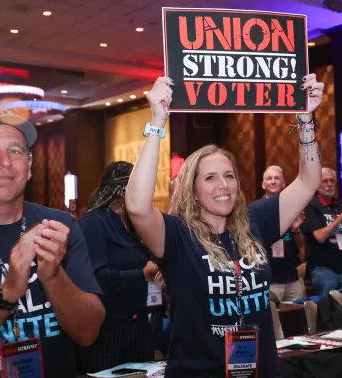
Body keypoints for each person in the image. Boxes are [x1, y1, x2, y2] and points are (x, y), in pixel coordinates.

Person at [125, 74, 324, 378]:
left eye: (229, 175)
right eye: (210, 177)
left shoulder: (254, 221)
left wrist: (305, 118)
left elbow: (309, 181)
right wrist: (157, 123)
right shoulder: (178, 235)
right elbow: (138, 206)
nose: (223, 185)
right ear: (192, 188)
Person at [0, 105, 105, 378]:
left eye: (15, 151)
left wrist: (53, 276)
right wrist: (8, 292)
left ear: (28, 168)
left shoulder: (59, 227)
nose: (5, 162)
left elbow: (88, 333)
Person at [77, 161, 160, 372]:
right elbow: (96, 278)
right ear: (122, 190)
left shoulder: (133, 224)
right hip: (108, 329)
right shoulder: (94, 222)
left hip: (140, 324)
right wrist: (141, 274)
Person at [302, 168, 342, 297]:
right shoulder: (312, 205)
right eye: (325, 181)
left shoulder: (341, 205)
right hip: (324, 270)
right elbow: (320, 237)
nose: (329, 184)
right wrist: (341, 216)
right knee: (327, 312)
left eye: (332, 181)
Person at [254, 165, 305, 302]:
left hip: (291, 277)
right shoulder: (255, 209)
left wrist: (295, 230)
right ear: (263, 184)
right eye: (269, 178)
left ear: (283, 184)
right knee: (273, 321)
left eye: (277, 178)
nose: (273, 181)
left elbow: (301, 246)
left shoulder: (293, 207)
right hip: (269, 279)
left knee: (296, 317)